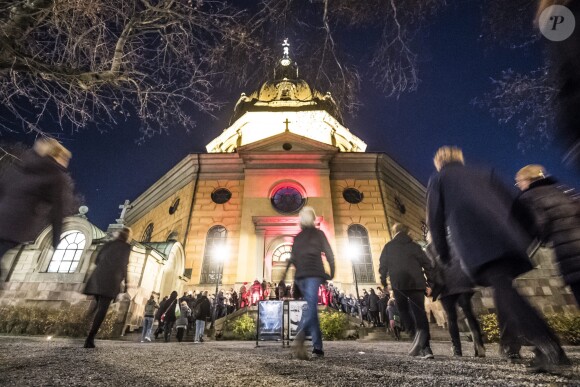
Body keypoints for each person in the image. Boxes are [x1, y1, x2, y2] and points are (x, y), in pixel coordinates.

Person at [427, 146, 569, 372]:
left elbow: (434, 221)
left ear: (439, 163)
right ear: (460, 160)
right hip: (507, 238)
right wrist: (525, 234)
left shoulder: (439, 179)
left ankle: (550, 347)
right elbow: (516, 203)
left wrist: (443, 255)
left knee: (504, 289)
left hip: (478, 242)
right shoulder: (485, 172)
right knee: (504, 288)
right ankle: (512, 344)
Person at [0, 138, 72, 266]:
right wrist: (56, 240)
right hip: (15, 226)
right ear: (57, 156)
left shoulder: (19, 166)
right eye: (65, 158)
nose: (65, 163)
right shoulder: (54, 175)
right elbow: (56, 210)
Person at [515, 164, 580, 304]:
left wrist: (541, 240)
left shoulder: (528, 197)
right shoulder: (561, 190)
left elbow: (540, 223)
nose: (518, 185)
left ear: (527, 179)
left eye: (519, 181)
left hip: (569, 254)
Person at [284, 206, 335, 359]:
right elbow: (329, 253)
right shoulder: (319, 234)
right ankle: (301, 335)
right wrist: (332, 272)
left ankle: (318, 348)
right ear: (313, 219)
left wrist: (284, 275)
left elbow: (292, 258)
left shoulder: (298, 237)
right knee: (311, 309)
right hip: (313, 274)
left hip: (300, 277)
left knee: (310, 309)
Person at [379, 223, 436, 359]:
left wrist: (383, 282)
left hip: (399, 284)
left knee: (403, 311)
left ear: (395, 232)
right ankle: (426, 348)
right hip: (417, 283)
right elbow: (427, 265)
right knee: (419, 312)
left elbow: (383, 266)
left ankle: (414, 334)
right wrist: (430, 283)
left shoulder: (388, 246)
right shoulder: (415, 246)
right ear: (407, 232)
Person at [425, 240, 485, 357]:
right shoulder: (455, 239)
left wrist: (431, 286)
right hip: (463, 281)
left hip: (446, 285)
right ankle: (479, 344)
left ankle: (457, 349)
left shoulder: (431, 247)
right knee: (469, 313)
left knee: (451, 318)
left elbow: (430, 268)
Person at [83, 227, 132, 348]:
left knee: (98, 303)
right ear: (127, 237)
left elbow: (97, 260)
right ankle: (90, 337)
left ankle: (86, 319)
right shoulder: (125, 247)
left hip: (97, 276)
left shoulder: (109, 244)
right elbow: (124, 264)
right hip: (111, 279)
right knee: (103, 308)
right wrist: (126, 282)